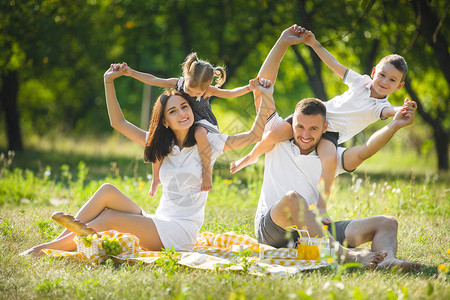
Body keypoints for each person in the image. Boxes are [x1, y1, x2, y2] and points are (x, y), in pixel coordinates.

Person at [19, 63, 275, 257]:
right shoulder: (163, 146)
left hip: (178, 233)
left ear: (192, 108)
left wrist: (265, 96)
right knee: (107, 191)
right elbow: (118, 123)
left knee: (108, 218)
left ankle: (46, 249)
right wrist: (108, 82)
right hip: (159, 220)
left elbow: (254, 135)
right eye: (173, 111)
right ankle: (69, 238)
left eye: (184, 107)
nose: (182, 113)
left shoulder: (209, 142)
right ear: (165, 121)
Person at [243, 25, 420, 268]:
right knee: (293, 199)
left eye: (314, 129)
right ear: (292, 122)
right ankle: (345, 256)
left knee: (387, 222)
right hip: (274, 232)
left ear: (325, 128)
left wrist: (395, 125)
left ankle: (386, 261)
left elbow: (366, 150)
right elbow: (263, 87)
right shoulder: (277, 138)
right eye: (300, 126)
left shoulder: (331, 154)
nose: (305, 134)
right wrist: (283, 41)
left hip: (314, 237)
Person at [231, 25, 410, 199]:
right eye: (382, 75)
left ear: (399, 86)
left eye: (392, 80)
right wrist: (314, 44)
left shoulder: (379, 107)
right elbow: (334, 64)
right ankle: (251, 157)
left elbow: (389, 111)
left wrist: (400, 110)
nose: (385, 81)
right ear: (374, 72)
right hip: (315, 115)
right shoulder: (360, 82)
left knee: (329, 161)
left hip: (331, 134)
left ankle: (322, 205)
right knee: (271, 135)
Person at [114, 53, 256, 196]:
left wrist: (249, 88)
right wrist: (130, 72)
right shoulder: (178, 83)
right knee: (158, 135)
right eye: (189, 90)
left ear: (207, 87)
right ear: (186, 77)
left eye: (198, 93)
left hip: (203, 122)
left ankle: (207, 172)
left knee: (199, 133)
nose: (193, 94)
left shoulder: (209, 90)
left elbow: (230, 93)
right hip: (184, 120)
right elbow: (153, 79)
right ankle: (156, 178)